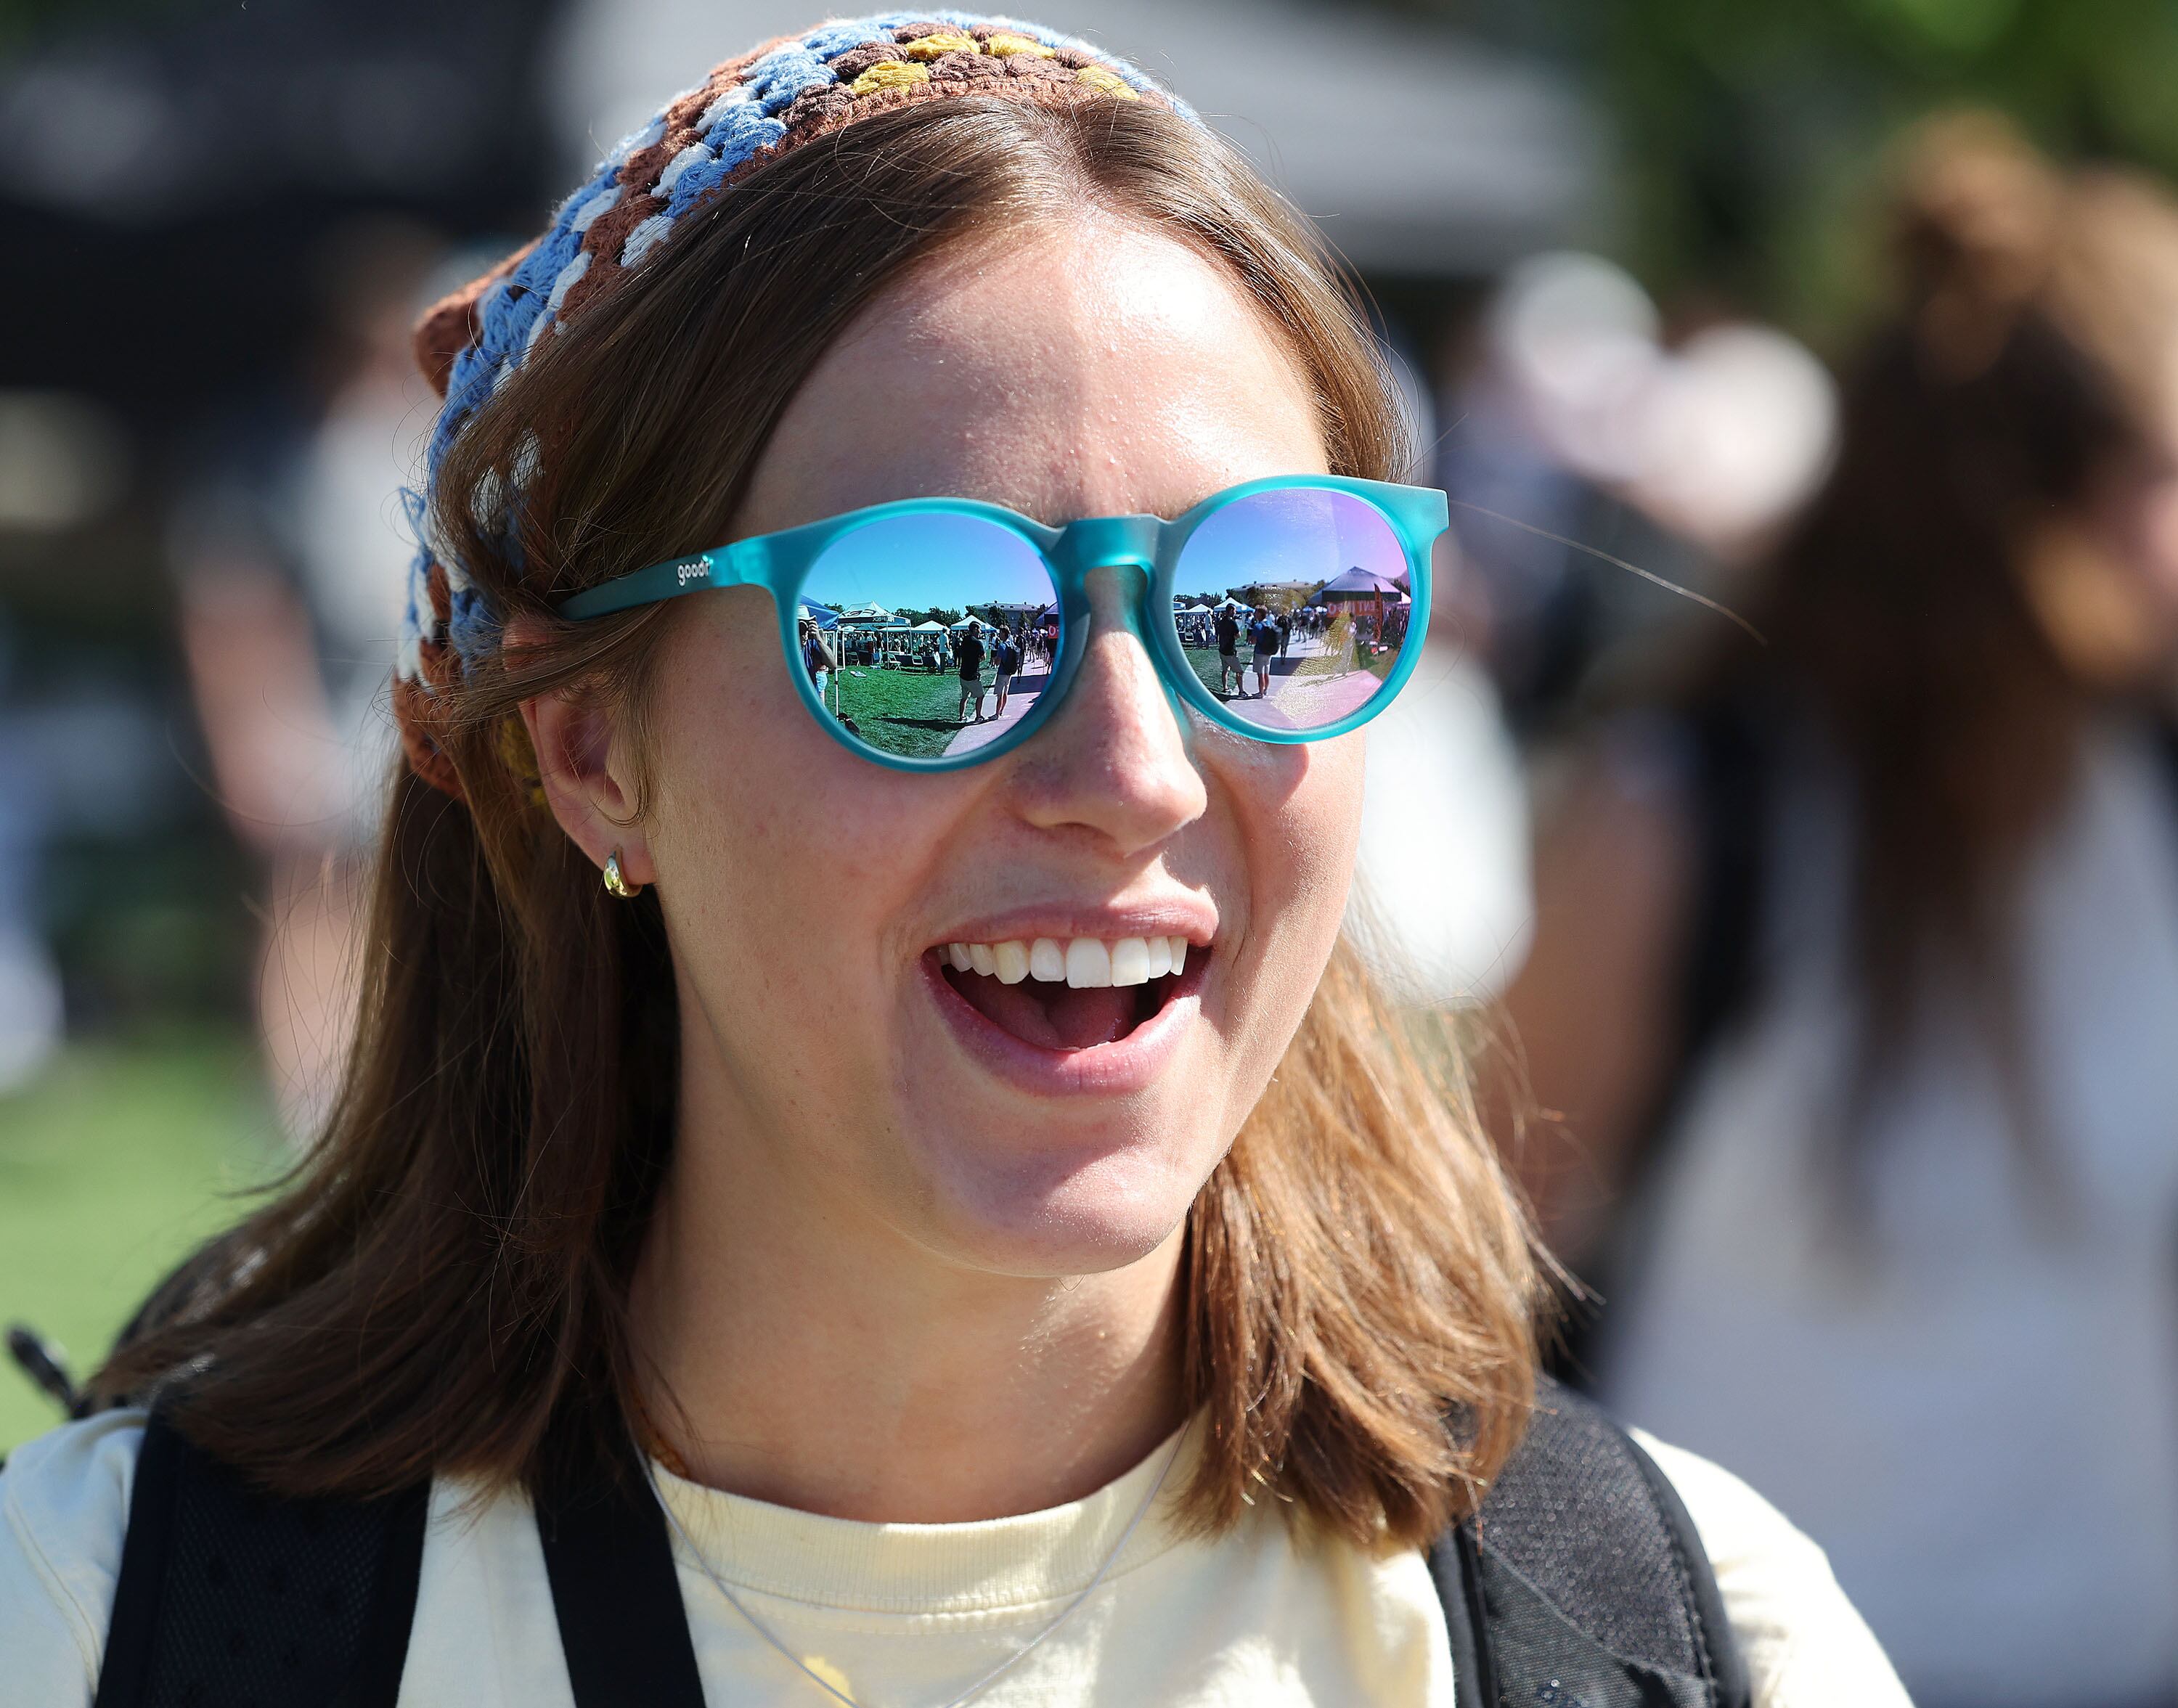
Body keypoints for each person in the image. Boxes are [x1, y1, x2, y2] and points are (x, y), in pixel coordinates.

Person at [1, 16, 1903, 1707]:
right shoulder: (114, 1624)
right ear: (593, 754)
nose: (1136, 769)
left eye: (1270, 604)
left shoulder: (1683, 1637)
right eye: (929, 626)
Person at [1497, 114, 2178, 1708]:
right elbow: (1470, 1273)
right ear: (2014, 514)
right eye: (2165, 472)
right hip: (1743, 1671)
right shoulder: (1695, 812)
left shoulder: (2146, 794)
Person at [955, 617, 987, 723]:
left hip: (963, 674)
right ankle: (978, 716)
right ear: (975, 629)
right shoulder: (978, 643)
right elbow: (984, 658)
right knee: (980, 696)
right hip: (972, 676)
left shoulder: (964, 640)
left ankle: (962, 716)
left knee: (964, 697)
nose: (980, 632)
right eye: (979, 630)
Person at [1213, 597, 1244, 697]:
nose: (1235, 613)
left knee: (1225, 670)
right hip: (1230, 652)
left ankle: (1225, 687)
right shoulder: (1232, 622)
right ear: (1231, 611)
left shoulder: (1221, 622)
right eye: (1234, 611)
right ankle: (1241, 691)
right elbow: (1238, 636)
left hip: (1222, 650)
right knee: (1239, 672)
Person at [992, 623, 1021, 718]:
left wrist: (995, 659)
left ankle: (997, 714)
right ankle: (1001, 711)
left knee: (999, 695)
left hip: (1002, 672)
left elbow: (998, 662)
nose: (999, 635)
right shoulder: (1012, 644)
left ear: (1004, 634)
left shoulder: (1002, 646)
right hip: (1009, 672)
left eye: (1000, 633)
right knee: (1005, 693)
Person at [1249, 605, 1280, 695]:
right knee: (1266, 673)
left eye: (1256, 612)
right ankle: (1265, 690)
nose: (1255, 614)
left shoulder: (1257, 626)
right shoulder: (1270, 623)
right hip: (1269, 652)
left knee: (1260, 674)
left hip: (1260, 652)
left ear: (1260, 614)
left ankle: (1260, 692)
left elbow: (1254, 641)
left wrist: (1251, 639)